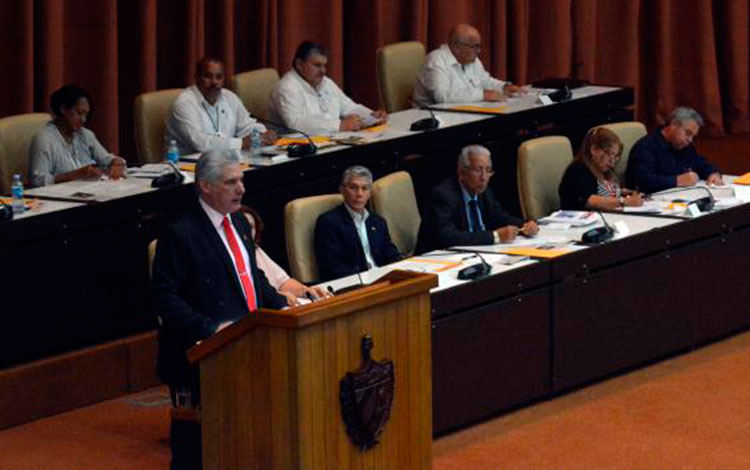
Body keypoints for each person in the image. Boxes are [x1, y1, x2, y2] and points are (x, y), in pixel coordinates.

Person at [151, 150, 287, 470]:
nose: (241, 189)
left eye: (241, 180)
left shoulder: (239, 221)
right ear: (205, 186)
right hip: (202, 354)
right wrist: (211, 330)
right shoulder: (180, 233)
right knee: (196, 451)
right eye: (231, 182)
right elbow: (164, 298)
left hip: (248, 344)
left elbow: (252, 277)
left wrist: (282, 303)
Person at [415, 145, 538, 253]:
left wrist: (525, 225)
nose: (484, 177)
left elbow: (500, 217)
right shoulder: (443, 195)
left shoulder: (484, 192)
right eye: (478, 170)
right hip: (438, 261)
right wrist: (494, 236)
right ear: (461, 171)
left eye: (488, 170)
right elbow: (448, 237)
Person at [268, 41, 387, 134]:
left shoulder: (325, 82)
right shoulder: (287, 87)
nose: (323, 71)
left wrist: (371, 116)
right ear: (299, 64)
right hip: (297, 151)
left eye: (324, 65)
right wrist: (340, 126)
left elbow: (348, 107)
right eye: (317, 65)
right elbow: (295, 124)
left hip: (330, 141)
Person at [165, 57, 275, 154]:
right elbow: (201, 143)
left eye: (219, 77)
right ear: (196, 77)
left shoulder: (229, 97)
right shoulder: (184, 104)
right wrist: (241, 143)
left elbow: (246, 125)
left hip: (223, 162)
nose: (214, 82)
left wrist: (262, 134)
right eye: (208, 76)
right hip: (188, 167)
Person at [314, 166, 401, 282]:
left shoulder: (377, 221)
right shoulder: (329, 222)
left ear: (370, 193)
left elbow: (390, 253)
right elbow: (331, 266)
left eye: (365, 188)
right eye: (353, 188)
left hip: (382, 280)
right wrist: (366, 279)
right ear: (342, 190)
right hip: (353, 283)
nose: (359, 194)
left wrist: (402, 266)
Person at [28, 85, 126, 187]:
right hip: (61, 198)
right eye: (79, 113)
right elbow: (37, 181)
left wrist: (116, 162)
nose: (83, 120)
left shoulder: (86, 135)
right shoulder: (44, 139)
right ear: (64, 109)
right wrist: (75, 175)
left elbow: (108, 160)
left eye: (86, 115)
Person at [413, 23, 524, 105]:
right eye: (474, 47)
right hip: (432, 120)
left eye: (478, 46)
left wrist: (504, 87)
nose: (478, 51)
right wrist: (483, 95)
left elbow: (485, 80)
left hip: (462, 114)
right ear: (456, 47)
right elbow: (441, 97)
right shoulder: (436, 60)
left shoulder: (471, 60)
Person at [241, 206, 331, 304]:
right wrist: (276, 296)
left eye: (250, 227)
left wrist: (304, 291)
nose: (247, 232)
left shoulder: (256, 250)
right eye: (242, 226)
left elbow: (283, 282)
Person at [626, 106, 723, 193]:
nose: (690, 140)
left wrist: (713, 173)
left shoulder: (684, 145)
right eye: (688, 133)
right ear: (673, 124)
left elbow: (701, 163)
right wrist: (677, 180)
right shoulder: (646, 147)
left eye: (693, 136)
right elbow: (643, 181)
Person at [559, 128, 644, 211]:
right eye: (609, 154)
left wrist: (624, 192)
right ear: (594, 149)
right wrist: (624, 202)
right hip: (577, 221)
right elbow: (591, 201)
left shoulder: (602, 168)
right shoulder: (577, 170)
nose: (612, 162)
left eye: (615, 157)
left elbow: (602, 190)